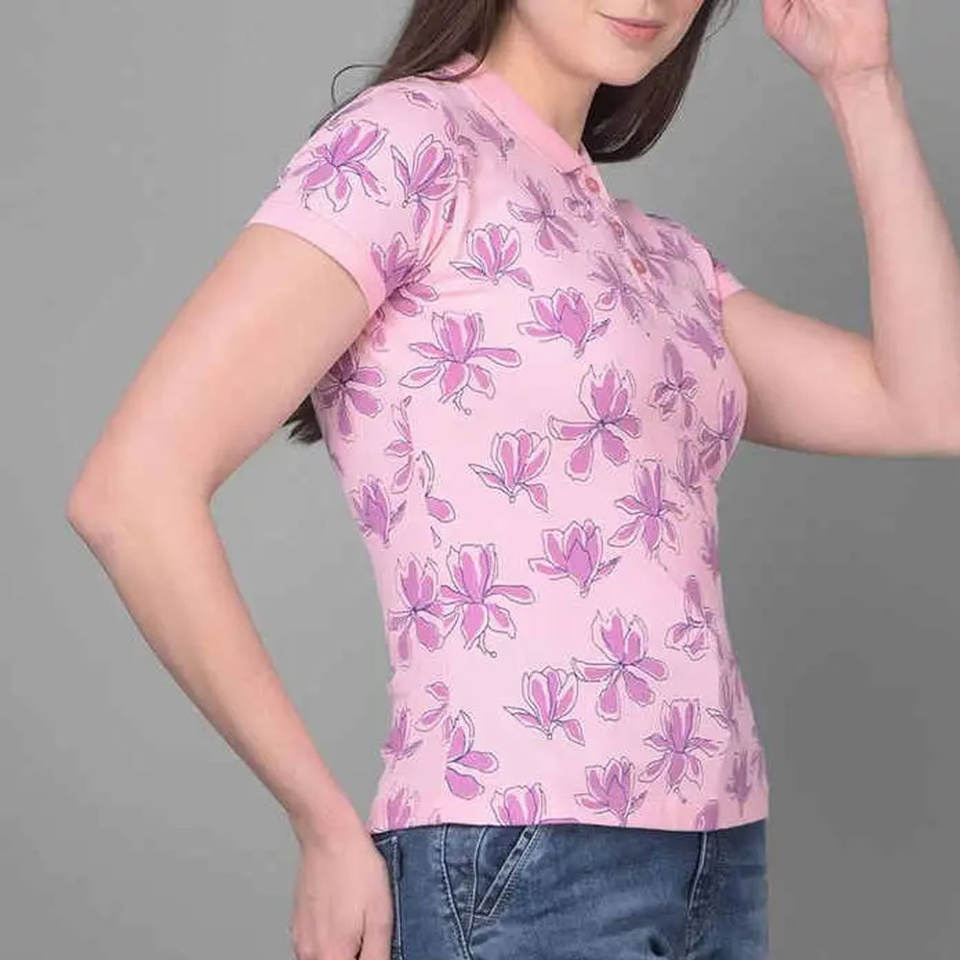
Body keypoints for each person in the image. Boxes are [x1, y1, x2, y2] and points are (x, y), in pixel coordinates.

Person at [66, 1, 960, 958]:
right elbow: (131, 491)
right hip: (520, 854)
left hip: (717, 850)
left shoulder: (657, 256)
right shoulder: (412, 143)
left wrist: (862, 82)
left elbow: (931, 403)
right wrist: (319, 819)